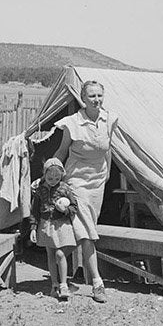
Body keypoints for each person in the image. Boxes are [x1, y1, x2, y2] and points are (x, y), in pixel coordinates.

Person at [55, 80, 116, 304]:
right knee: (88, 230)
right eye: (91, 96)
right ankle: (98, 283)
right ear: (83, 98)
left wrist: (107, 174)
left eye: (99, 95)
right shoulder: (72, 123)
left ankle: (65, 278)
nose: (96, 100)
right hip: (76, 181)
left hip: (97, 182)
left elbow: (107, 150)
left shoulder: (109, 120)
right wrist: (51, 176)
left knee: (86, 228)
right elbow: (61, 152)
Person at [29, 158, 84, 301]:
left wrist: (64, 210)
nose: (53, 180)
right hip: (46, 224)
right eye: (50, 178)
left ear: (61, 176)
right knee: (50, 254)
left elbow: (74, 207)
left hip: (62, 225)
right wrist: (33, 227)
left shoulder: (65, 188)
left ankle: (64, 284)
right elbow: (35, 210)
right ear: (44, 175)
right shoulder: (40, 190)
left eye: (56, 178)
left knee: (60, 254)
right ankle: (54, 285)